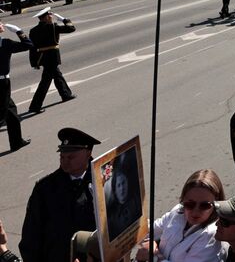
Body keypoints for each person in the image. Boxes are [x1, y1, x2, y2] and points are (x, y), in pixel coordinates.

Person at [20, 127, 100, 262]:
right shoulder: (45, 188)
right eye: (62, 156)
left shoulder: (103, 180)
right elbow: (30, 237)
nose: (65, 161)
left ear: (88, 153)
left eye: (71, 157)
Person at [135, 169, 226, 262]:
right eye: (190, 204)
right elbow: (149, 230)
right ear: (183, 199)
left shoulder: (212, 235)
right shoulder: (178, 212)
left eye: (204, 205)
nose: (195, 211)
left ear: (216, 204)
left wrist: (155, 256)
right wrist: (132, 223)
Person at [27, 7, 76, 114]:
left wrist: (34, 62)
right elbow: (71, 28)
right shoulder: (53, 27)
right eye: (50, 15)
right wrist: (64, 20)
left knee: (57, 75)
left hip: (43, 57)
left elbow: (32, 48)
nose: (52, 17)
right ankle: (35, 106)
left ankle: (65, 94)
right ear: (45, 17)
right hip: (52, 57)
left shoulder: (33, 30)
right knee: (45, 82)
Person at [0, 20, 33, 151]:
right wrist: (19, 31)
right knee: (2, 115)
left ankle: (16, 142)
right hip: (2, 84)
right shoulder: (5, 43)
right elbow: (28, 45)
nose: (2, 24)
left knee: (11, 112)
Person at [105, 148, 143, 239]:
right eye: (118, 185)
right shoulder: (112, 218)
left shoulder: (136, 203)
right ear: (115, 190)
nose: (122, 188)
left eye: (123, 183)